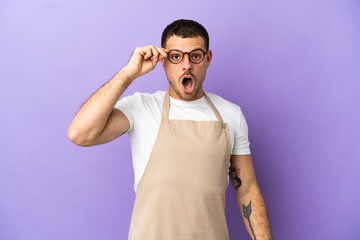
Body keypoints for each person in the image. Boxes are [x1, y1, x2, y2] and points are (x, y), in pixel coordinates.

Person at [68, 19, 273, 240]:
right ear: (163, 61)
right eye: (176, 56)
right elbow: (80, 134)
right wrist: (128, 73)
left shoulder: (231, 114)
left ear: (208, 59)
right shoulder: (141, 107)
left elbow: (247, 190)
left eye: (195, 56)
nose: (186, 66)